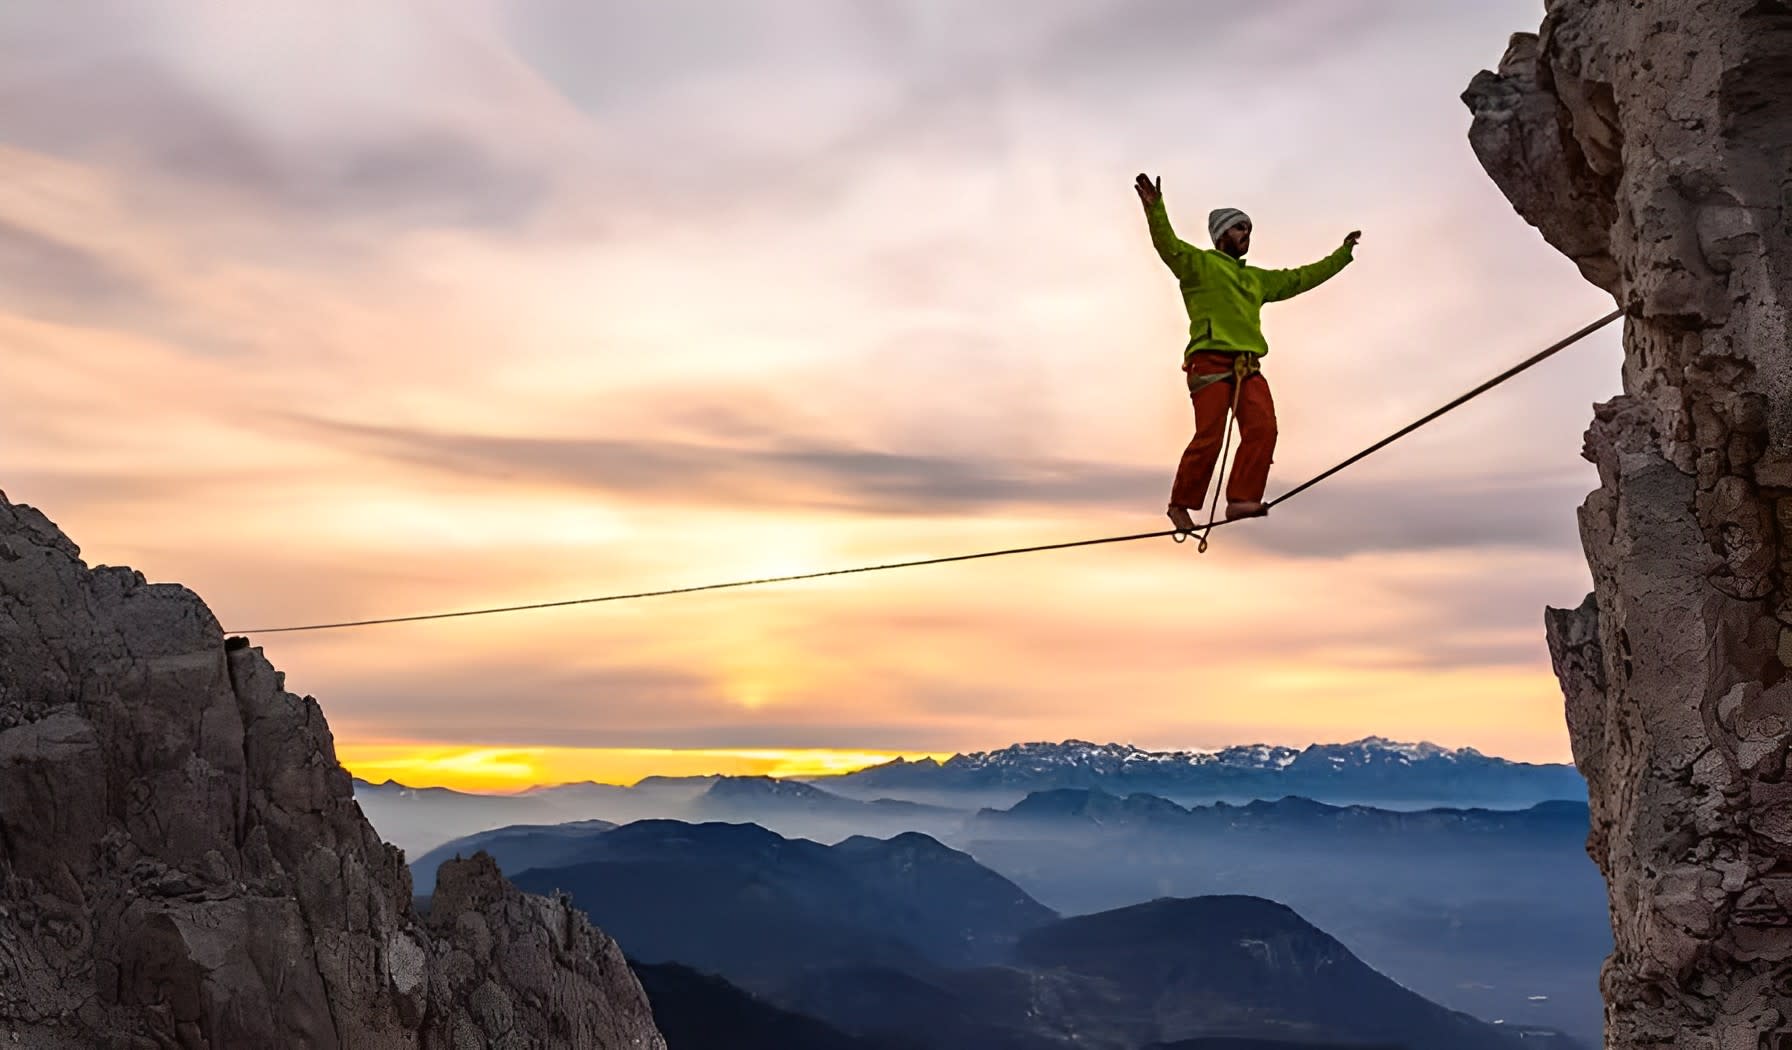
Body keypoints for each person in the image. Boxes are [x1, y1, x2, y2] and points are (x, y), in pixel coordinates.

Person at [1134, 173, 1360, 532]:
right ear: (1222, 234)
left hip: (1248, 366)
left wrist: (1342, 255)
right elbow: (1168, 245)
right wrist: (1154, 209)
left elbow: (1301, 278)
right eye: (1240, 229)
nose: (1247, 236)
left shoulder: (1256, 279)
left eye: (1249, 230)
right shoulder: (1199, 264)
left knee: (1264, 428)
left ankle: (1240, 500)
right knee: (1210, 436)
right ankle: (1180, 504)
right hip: (1208, 361)